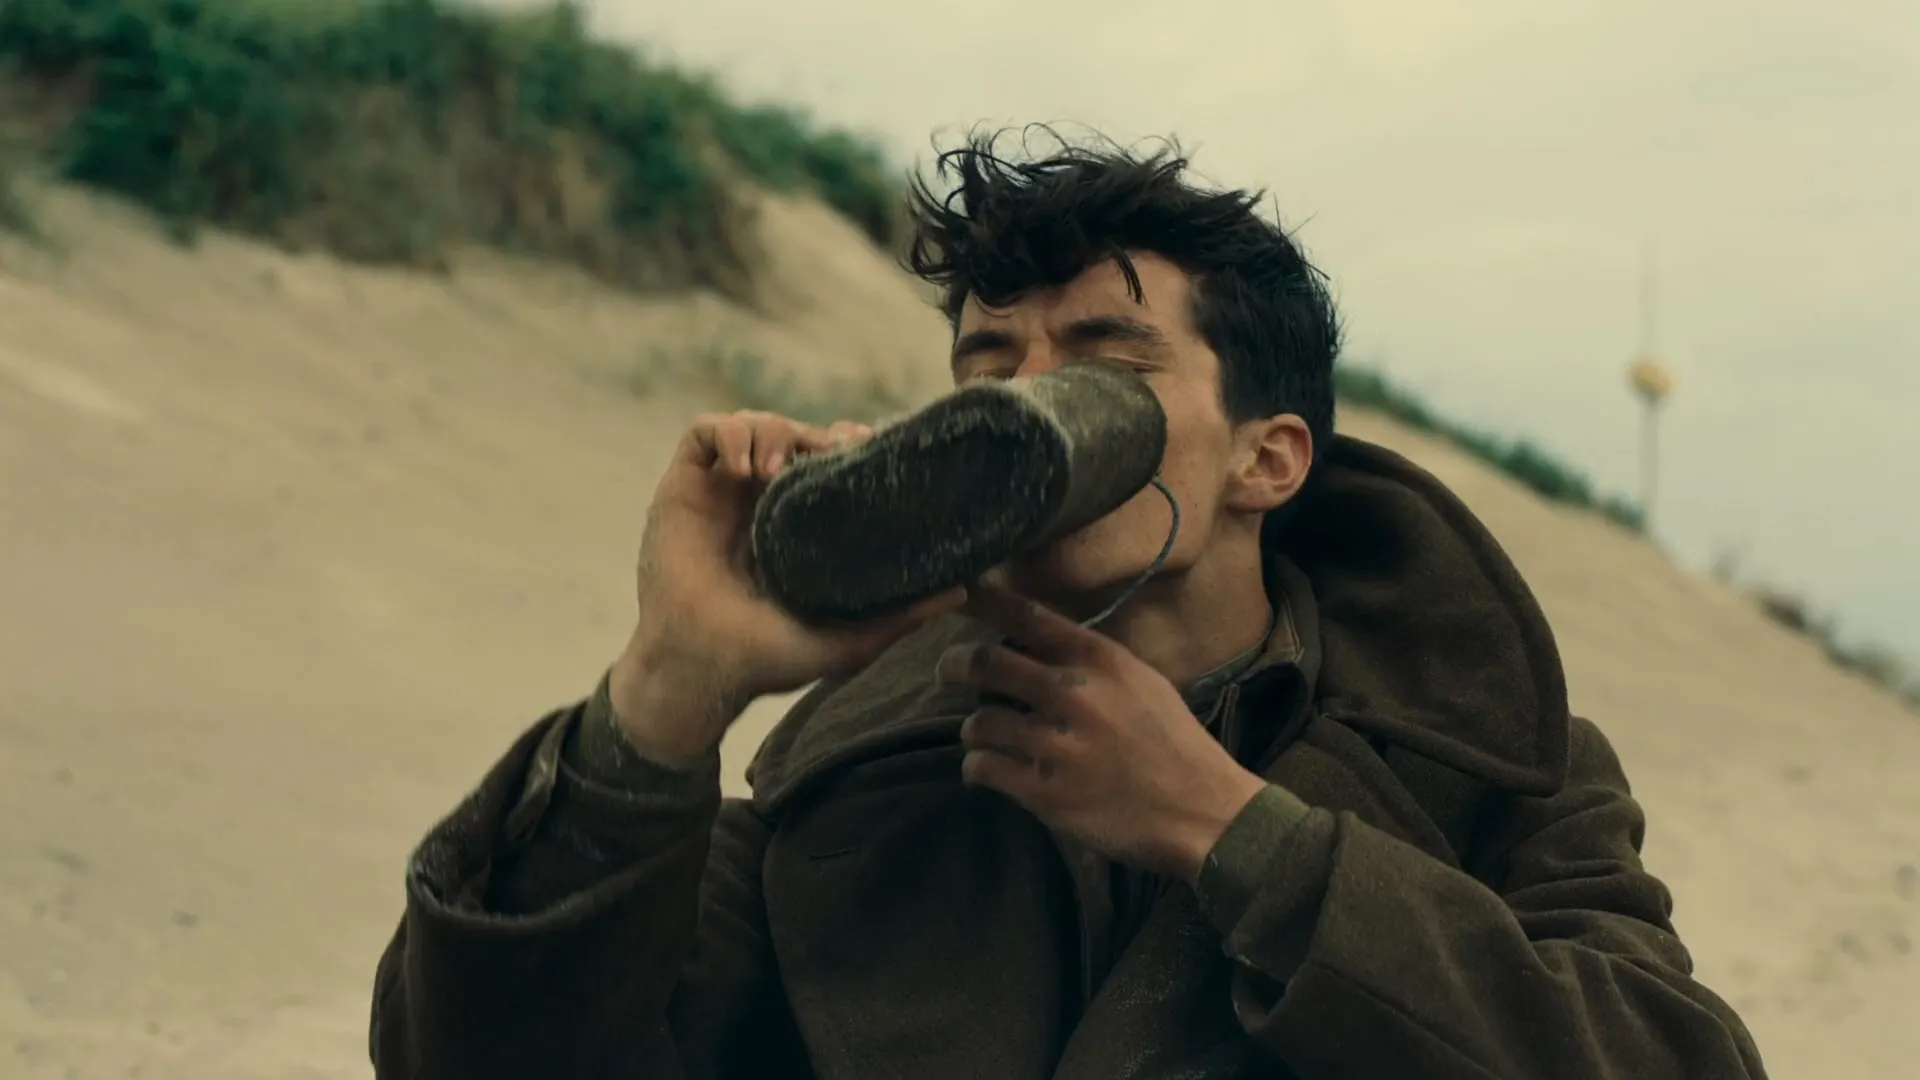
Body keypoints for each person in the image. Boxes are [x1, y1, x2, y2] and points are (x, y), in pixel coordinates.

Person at [370, 131, 1767, 1080]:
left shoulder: (1484, 765)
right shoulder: (858, 783)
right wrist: (667, 692)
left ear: (1268, 460)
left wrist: (1239, 838)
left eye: (1107, 361)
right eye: (990, 370)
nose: (1027, 405)